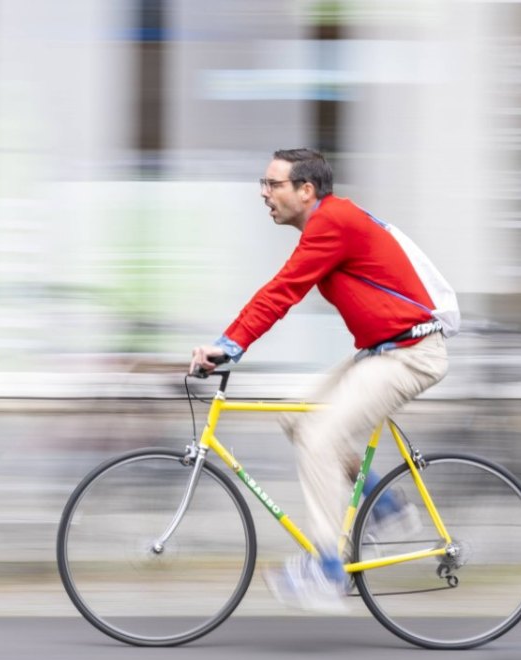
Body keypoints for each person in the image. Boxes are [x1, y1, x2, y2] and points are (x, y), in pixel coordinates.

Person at [189, 148, 450, 613]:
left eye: (273, 184)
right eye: (263, 184)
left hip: (411, 356)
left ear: (306, 190)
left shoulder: (334, 222)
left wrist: (228, 346)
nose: (263, 193)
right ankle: (384, 506)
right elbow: (283, 291)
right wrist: (232, 344)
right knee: (294, 414)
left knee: (319, 436)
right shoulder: (327, 225)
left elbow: (281, 292)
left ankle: (327, 569)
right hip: (381, 353)